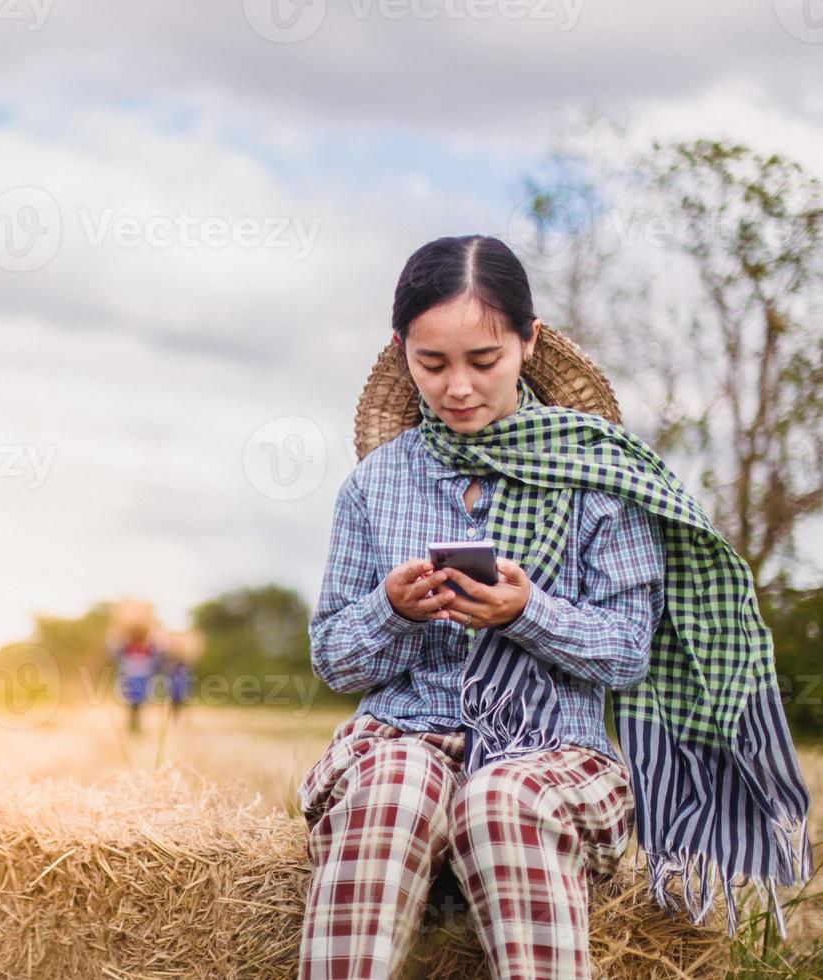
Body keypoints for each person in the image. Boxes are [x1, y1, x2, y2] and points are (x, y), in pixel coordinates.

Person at [298, 235, 811, 980]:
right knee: (398, 788)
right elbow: (333, 658)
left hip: (552, 752)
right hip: (401, 738)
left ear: (528, 342)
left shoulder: (598, 476)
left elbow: (627, 649)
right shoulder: (377, 485)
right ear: (401, 349)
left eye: (485, 360)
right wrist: (393, 610)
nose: (458, 388)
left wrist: (525, 612)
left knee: (502, 800)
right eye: (432, 364)